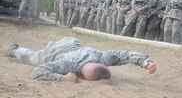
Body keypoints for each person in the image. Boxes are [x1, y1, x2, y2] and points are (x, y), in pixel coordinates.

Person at [4, 37, 156, 82]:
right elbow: (37, 72)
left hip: (72, 41)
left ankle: (16, 49)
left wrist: (145, 62)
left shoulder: (100, 56)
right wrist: (63, 78)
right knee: (32, 57)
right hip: (54, 51)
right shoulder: (68, 64)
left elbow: (126, 55)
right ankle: (14, 49)